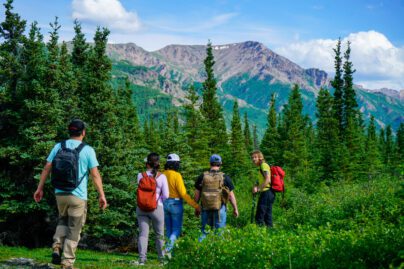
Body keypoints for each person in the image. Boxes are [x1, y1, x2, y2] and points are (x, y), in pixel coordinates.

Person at [33, 119, 107, 269]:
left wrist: (39, 188)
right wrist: (102, 195)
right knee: (74, 227)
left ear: (69, 131)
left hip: (60, 193)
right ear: (83, 132)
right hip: (78, 195)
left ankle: (57, 246)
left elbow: (47, 167)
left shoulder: (58, 146)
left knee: (62, 220)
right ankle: (67, 262)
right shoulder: (87, 150)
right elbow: (95, 175)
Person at [194, 154, 239, 241]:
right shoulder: (225, 177)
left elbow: (197, 194)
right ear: (220, 163)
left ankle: (199, 252)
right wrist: (235, 208)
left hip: (205, 208)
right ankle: (219, 253)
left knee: (204, 232)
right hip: (220, 208)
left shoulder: (202, 176)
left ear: (210, 163)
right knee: (220, 233)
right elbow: (230, 195)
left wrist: (196, 208)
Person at [163, 153, 201, 255]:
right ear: (175, 164)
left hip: (164, 203)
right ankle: (167, 250)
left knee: (169, 230)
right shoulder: (177, 175)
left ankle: (169, 254)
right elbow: (183, 193)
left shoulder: (162, 174)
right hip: (175, 204)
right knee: (176, 230)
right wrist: (196, 206)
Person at [136, 153, 169, 265]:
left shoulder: (140, 175)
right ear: (158, 163)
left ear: (147, 163)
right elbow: (166, 195)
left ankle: (142, 260)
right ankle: (162, 260)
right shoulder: (162, 177)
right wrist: (159, 200)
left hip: (141, 208)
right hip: (156, 208)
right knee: (159, 235)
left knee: (143, 234)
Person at [251, 150, 275, 227]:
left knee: (259, 216)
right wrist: (257, 183)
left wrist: (258, 189)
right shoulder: (262, 166)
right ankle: (270, 233)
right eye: (252, 158)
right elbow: (264, 178)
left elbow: (268, 179)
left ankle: (259, 234)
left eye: (255, 157)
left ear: (260, 157)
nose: (253, 159)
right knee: (267, 216)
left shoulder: (263, 165)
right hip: (269, 193)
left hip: (266, 193)